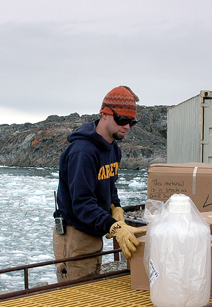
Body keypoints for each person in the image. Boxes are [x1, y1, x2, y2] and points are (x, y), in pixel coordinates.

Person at [53, 86, 146, 282]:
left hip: (94, 232)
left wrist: (116, 207)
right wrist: (114, 227)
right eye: (122, 120)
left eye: (132, 122)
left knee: (92, 289)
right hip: (75, 235)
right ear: (104, 114)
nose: (127, 126)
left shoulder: (113, 149)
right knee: (77, 298)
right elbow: (82, 203)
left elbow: (109, 184)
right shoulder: (83, 152)